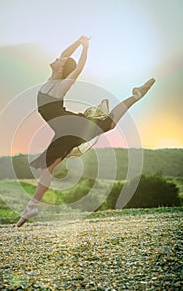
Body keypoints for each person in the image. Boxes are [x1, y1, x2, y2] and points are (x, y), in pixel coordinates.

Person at [16, 36, 155, 227]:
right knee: (108, 125)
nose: (59, 58)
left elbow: (78, 68)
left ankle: (31, 207)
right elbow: (65, 55)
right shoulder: (52, 78)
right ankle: (135, 96)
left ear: (61, 68)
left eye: (60, 61)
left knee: (47, 168)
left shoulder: (60, 86)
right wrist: (78, 41)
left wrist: (85, 48)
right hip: (64, 128)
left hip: (69, 128)